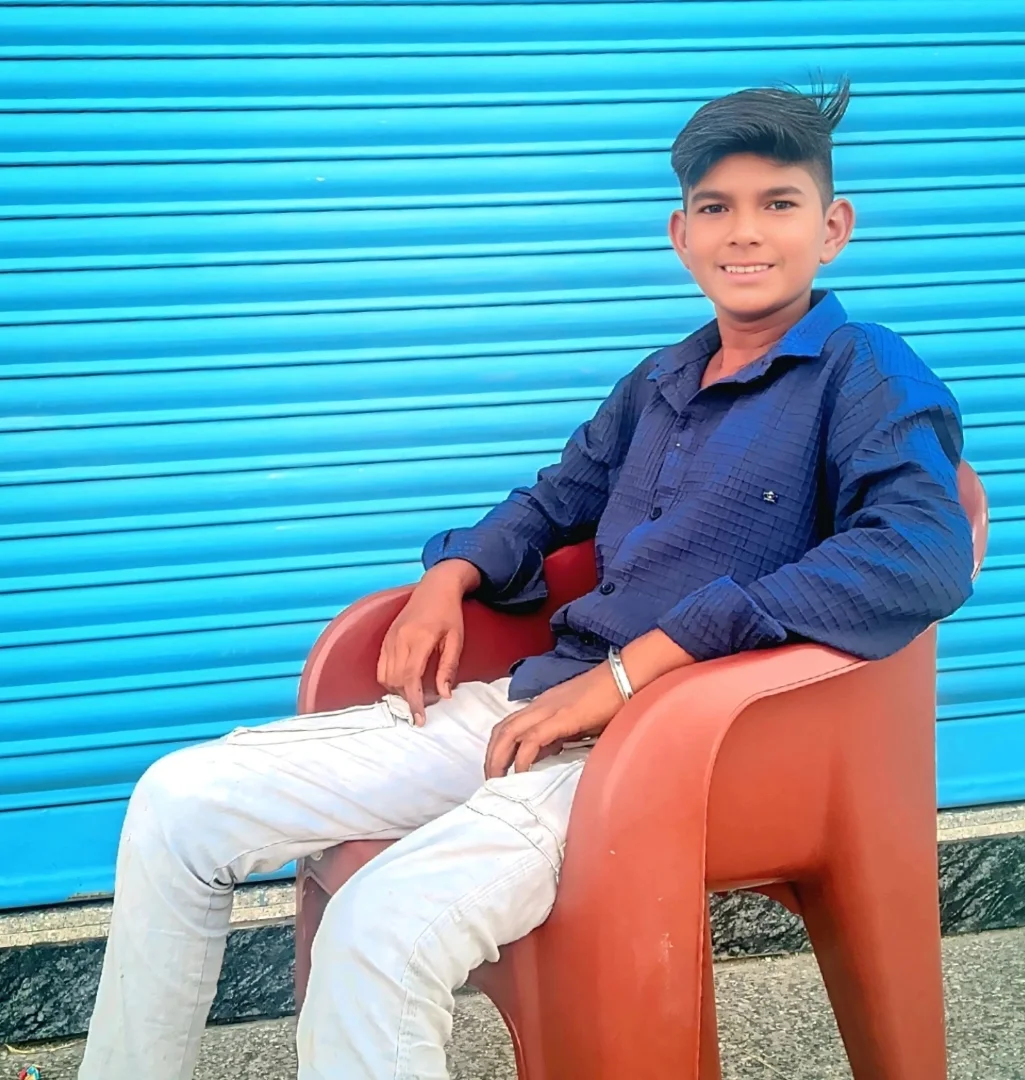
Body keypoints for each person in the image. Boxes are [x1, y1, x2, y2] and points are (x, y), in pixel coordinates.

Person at [78, 81, 974, 1080]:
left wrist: (640, 669)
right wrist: (450, 575)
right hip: (533, 707)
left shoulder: (866, 372)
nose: (746, 232)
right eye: (716, 207)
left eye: (779, 203)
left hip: (672, 753)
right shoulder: (660, 382)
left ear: (833, 228)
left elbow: (922, 550)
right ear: (680, 235)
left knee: (378, 931)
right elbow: (553, 502)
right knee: (179, 801)